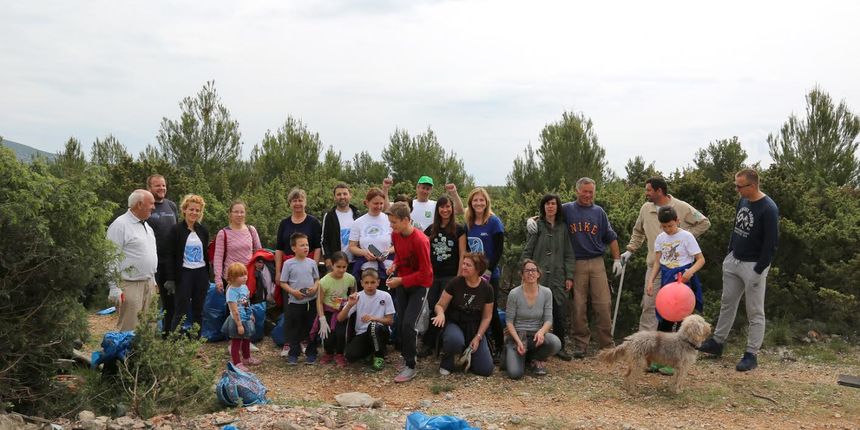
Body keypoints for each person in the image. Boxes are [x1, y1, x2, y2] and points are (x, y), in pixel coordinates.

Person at [699, 168, 779, 372]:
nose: (736, 189)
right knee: (727, 303)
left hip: (754, 266)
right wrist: (730, 252)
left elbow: (771, 244)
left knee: (754, 311)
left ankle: (751, 354)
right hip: (734, 260)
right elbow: (737, 226)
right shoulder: (743, 201)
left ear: (752, 186)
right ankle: (717, 342)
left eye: (739, 186)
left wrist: (759, 269)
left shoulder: (768, 208)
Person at [620, 177, 710, 331]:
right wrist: (630, 249)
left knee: (680, 307)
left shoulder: (681, 207)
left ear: (659, 191)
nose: (646, 193)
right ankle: (646, 343)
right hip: (656, 265)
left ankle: (679, 344)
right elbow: (637, 231)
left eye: (648, 190)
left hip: (680, 270)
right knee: (649, 305)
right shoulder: (645, 209)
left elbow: (704, 222)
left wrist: (682, 237)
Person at [563, 177, 622, 359]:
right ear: (577, 191)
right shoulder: (567, 209)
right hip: (576, 262)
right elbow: (546, 213)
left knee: (603, 304)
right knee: (578, 305)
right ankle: (581, 344)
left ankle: (607, 344)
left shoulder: (599, 212)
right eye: (585, 191)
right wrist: (532, 220)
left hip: (597, 262)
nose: (588, 195)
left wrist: (617, 259)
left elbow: (610, 237)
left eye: (591, 192)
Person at [644, 206, 706, 375]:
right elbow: (658, 262)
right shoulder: (660, 238)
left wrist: (690, 272)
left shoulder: (687, 237)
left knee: (681, 324)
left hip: (683, 282)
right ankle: (658, 359)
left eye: (670, 226)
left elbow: (701, 260)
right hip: (667, 282)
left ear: (677, 221)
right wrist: (650, 282)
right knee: (664, 323)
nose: (668, 229)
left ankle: (675, 363)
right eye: (664, 226)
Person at [522, 193, 575, 361]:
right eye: (547, 204)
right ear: (543, 207)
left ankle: (560, 347)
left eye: (553, 203)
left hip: (558, 277)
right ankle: (535, 348)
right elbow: (527, 252)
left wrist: (569, 276)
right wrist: (527, 271)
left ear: (558, 206)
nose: (550, 206)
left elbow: (568, 254)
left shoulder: (563, 228)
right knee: (535, 311)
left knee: (558, 312)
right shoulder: (537, 226)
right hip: (538, 277)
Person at [385, 202, 434, 382]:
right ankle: (407, 358)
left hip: (419, 286)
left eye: (394, 222)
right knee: (402, 323)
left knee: (409, 324)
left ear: (406, 220)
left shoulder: (421, 240)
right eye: (390, 222)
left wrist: (402, 280)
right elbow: (399, 255)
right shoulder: (396, 235)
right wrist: (394, 265)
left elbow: (426, 273)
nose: (392, 226)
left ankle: (411, 367)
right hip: (403, 284)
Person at [432, 253, 495, 377]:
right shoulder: (455, 282)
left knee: (485, 370)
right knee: (454, 340)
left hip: (474, 327)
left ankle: (468, 355)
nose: (463, 267)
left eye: (468, 265)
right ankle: (447, 360)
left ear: (478, 269)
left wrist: (478, 337)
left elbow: (487, 317)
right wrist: (440, 314)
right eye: (463, 264)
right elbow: (439, 305)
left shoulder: (487, 289)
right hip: (455, 323)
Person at [420, 195, 466, 356]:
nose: (445, 210)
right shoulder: (430, 229)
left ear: (452, 209)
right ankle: (430, 343)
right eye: (442, 207)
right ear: (437, 209)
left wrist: (459, 277)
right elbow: (424, 254)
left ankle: (439, 342)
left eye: (448, 207)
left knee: (445, 308)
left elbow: (462, 254)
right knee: (433, 307)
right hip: (433, 276)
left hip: (450, 276)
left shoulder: (459, 230)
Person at [107, 190, 158, 331]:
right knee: (129, 326)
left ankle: (146, 353)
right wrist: (113, 287)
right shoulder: (120, 225)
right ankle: (128, 354)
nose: (154, 207)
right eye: (151, 203)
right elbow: (111, 257)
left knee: (150, 325)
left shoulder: (146, 226)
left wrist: (153, 280)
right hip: (129, 285)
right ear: (140, 204)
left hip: (148, 283)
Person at [464, 187, 505, 358]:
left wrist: (487, 272)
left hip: (490, 275)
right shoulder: (469, 223)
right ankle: (478, 343)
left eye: (481, 200)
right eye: (475, 200)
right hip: (473, 275)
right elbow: (467, 248)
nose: (478, 203)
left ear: (486, 202)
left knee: (492, 310)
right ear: (471, 203)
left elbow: (498, 250)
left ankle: (500, 347)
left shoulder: (494, 222)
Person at [505, 260, 562, 379]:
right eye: (527, 270)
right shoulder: (514, 294)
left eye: (533, 270)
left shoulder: (546, 292)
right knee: (515, 374)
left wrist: (541, 332)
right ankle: (514, 354)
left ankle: (535, 358)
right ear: (522, 275)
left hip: (536, 335)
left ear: (538, 274)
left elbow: (548, 319)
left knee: (555, 342)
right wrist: (518, 341)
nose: (531, 273)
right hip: (518, 335)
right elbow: (509, 322)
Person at [165, 194, 210, 334]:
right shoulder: (176, 230)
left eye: (197, 210)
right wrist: (171, 279)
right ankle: (174, 342)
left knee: (198, 310)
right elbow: (170, 255)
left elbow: (206, 255)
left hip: (200, 273)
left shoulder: (203, 231)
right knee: (181, 310)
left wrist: (208, 277)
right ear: (184, 210)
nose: (194, 213)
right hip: (184, 274)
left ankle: (196, 343)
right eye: (191, 209)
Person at [340, 269, 395, 371]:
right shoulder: (358, 297)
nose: (369, 286)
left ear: (378, 282)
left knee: (373, 326)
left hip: (380, 331)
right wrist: (349, 305)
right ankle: (372, 352)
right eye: (366, 282)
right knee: (350, 355)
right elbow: (340, 318)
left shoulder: (385, 296)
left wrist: (374, 318)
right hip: (362, 333)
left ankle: (379, 357)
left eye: (373, 282)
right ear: (361, 283)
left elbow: (390, 321)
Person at [279, 233, 321, 365]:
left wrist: (314, 288)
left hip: (311, 301)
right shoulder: (288, 264)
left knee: (311, 328)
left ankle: (312, 352)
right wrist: (293, 292)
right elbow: (283, 282)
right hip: (295, 302)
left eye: (307, 245)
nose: (305, 247)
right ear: (293, 248)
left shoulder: (312, 262)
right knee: (294, 328)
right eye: (302, 245)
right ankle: (293, 354)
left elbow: (317, 279)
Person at [145, 175, 179, 335]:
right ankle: (147, 335)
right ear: (149, 188)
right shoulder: (146, 207)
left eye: (163, 185)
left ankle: (167, 334)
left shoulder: (171, 206)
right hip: (151, 263)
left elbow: (178, 231)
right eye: (157, 185)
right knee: (150, 301)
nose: (161, 188)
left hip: (170, 263)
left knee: (170, 301)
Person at [275, 188, 322, 286]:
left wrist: (314, 268)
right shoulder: (284, 223)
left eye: (300, 200)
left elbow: (318, 248)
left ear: (305, 202)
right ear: (290, 203)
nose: (297, 203)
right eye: (294, 201)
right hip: (288, 268)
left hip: (308, 267)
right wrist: (278, 272)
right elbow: (279, 249)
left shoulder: (314, 222)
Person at [316, 252, 356, 367]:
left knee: (341, 333)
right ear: (332, 265)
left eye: (344, 267)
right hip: (328, 310)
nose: (341, 270)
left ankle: (339, 353)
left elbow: (353, 292)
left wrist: (350, 303)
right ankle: (328, 352)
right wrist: (322, 318)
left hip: (342, 310)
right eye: (338, 266)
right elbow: (319, 301)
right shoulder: (324, 281)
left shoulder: (350, 278)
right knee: (328, 334)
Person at [213, 201, 262, 293]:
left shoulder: (251, 230)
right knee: (233, 307)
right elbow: (218, 258)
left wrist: (259, 263)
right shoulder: (223, 233)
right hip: (231, 279)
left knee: (248, 306)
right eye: (236, 212)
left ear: (245, 214)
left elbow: (259, 251)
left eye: (242, 212)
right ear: (230, 214)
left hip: (249, 277)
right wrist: (218, 279)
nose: (239, 215)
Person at [348, 188, 394, 283]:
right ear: (367, 202)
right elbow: (352, 247)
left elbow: (399, 245)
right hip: (367, 271)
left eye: (381, 203)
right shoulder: (358, 222)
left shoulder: (389, 220)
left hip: (387, 269)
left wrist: (387, 252)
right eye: (375, 203)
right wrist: (365, 253)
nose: (379, 206)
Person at [222, 262, 259, 372]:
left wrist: (250, 313)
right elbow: (234, 310)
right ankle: (236, 362)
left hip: (246, 318)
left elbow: (245, 301)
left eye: (245, 274)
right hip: (237, 320)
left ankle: (247, 358)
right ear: (232, 278)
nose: (245, 277)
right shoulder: (231, 291)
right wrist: (239, 324)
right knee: (236, 341)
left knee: (247, 338)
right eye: (241, 275)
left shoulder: (243, 287)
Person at [321, 183, 363, 272]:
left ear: (350, 195)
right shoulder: (329, 215)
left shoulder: (357, 214)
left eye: (345, 194)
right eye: (339, 194)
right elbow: (324, 240)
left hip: (355, 262)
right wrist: (328, 260)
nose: (342, 197)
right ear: (334, 197)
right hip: (337, 264)